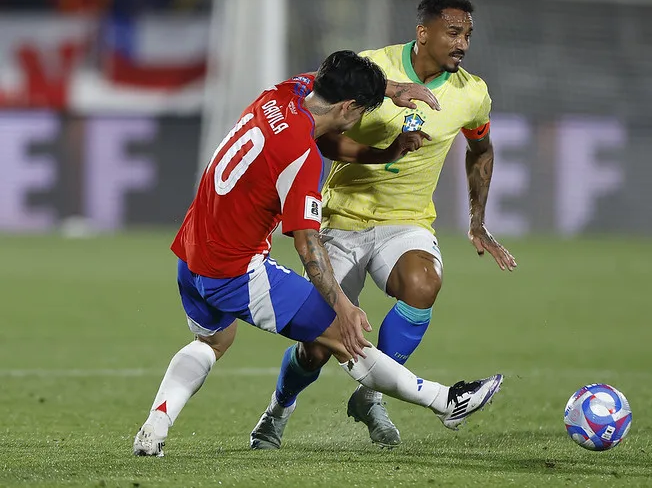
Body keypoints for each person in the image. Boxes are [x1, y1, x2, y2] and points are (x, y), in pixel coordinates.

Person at [132, 50, 503, 457]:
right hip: (237, 272)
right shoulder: (302, 158)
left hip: (191, 253)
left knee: (212, 343)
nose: (362, 121)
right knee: (347, 340)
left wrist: (394, 92)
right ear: (348, 107)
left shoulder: (281, 95)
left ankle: (154, 428)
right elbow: (307, 245)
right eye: (363, 112)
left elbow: (321, 76)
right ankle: (446, 401)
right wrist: (343, 306)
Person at [250, 0, 516, 450]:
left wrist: (477, 220)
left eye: (468, 35)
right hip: (342, 216)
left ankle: (370, 394)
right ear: (423, 32)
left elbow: (481, 148)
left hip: (407, 221)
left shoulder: (472, 94)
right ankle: (278, 409)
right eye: (453, 33)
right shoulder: (373, 69)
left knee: (423, 283)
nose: (462, 45)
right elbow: (322, 136)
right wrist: (385, 153)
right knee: (315, 347)